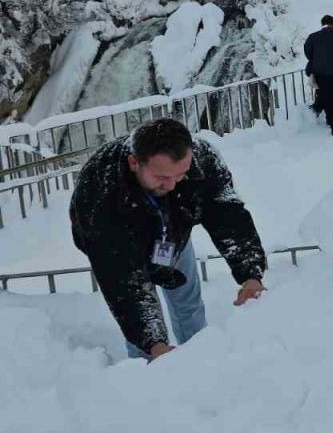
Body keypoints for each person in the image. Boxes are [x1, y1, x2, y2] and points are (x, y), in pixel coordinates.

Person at [68, 118, 267, 361]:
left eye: (181, 175)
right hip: (119, 245)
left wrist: (251, 274)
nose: (172, 185)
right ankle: (149, 371)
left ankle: (201, 360)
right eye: (162, 177)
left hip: (171, 235)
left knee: (187, 301)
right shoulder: (100, 188)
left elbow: (227, 215)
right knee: (143, 326)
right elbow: (121, 279)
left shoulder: (202, 160)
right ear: (134, 163)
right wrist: (154, 344)